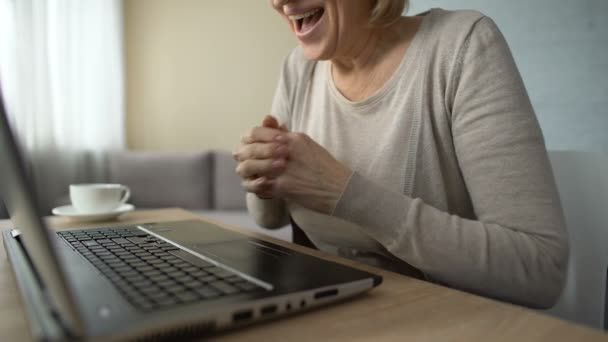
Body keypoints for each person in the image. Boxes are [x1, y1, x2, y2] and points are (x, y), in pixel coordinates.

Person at [233, 0, 568, 309]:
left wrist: (343, 193)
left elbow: (542, 271)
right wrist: (262, 173)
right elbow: (270, 218)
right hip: (341, 312)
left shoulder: (461, 46)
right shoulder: (298, 69)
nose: (279, 1)